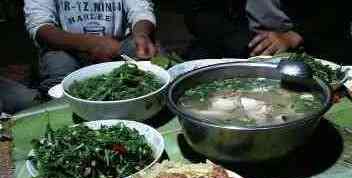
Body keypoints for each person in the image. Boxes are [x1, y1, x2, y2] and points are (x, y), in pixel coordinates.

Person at [24, 0, 158, 94]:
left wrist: (141, 35)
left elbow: (141, 11)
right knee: (59, 65)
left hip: (116, 45)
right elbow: (40, 27)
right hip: (66, 47)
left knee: (145, 52)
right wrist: (93, 44)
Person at [183, 0, 303, 59]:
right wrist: (243, 42)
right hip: (238, 39)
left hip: (295, 41)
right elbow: (198, 13)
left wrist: (294, 37)